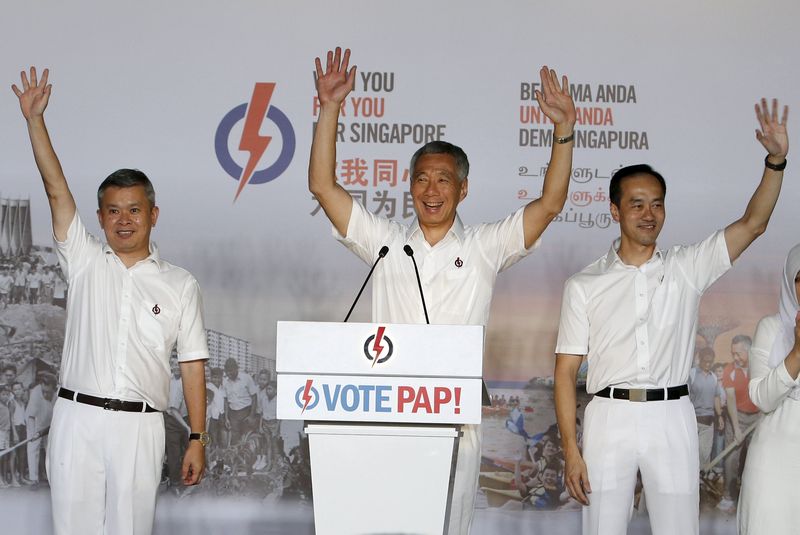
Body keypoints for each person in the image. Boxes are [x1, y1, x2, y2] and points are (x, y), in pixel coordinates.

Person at [310, 47, 576, 534]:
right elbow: (324, 188)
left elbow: (551, 204)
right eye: (422, 179)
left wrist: (563, 130)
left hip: (456, 421)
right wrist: (329, 109)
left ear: (463, 188)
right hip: (388, 414)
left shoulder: (483, 246)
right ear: (409, 186)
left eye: (444, 180)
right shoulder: (386, 242)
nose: (432, 190)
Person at [554, 97, 789, 535]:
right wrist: (571, 450)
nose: (649, 214)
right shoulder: (583, 285)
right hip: (609, 416)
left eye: (657, 204)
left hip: (672, 415)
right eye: (637, 204)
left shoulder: (687, 267)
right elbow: (565, 373)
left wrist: (775, 160)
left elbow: (753, 223)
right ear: (615, 210)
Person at [13, 67, 209, 535]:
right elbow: (55, 188)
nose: (125, 220)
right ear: (99, 217)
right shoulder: (83, 260)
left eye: (135, 210)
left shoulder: (180, 284)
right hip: (77, 421)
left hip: (139, 430)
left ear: (153, 215)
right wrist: (35, 121)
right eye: (114, 211)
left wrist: (198, 437)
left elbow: (193, 365)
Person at [738, 243, 800, 533]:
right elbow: (762, 399)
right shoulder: (771, 328)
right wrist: (797, 352)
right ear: (789, 281)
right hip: (773, 465)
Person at [718, 334, 760, 510]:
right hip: (737, 417)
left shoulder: (760, 367)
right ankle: (729, 496)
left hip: (759, 417)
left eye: (738, 353)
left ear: (749, 351)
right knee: (731, 458)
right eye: (732, 353)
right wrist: (736, 429)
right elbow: (731, 400)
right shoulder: (729, 370)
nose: (734, 358)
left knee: (757, 457)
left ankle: (754, 496)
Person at [688, 347, 724, 469]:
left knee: (704, 456)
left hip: (708, 423)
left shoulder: (713, 377)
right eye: (705, 361)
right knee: (691, 454)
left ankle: (701, 484)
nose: (708, 364)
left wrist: (719, 416)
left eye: (710, 362)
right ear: (700, 359)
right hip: (693, 422)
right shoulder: (692, 374)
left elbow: (716, 397)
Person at [222, 358, 257, 445]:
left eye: (231, 371)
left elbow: (254, 397)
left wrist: (252, 416)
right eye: (227, 371)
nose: (229, 373)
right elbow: (226, 401)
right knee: (235, 439)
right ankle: (236, 458)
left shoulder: (246, 378)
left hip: (246, 411)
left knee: (247, 439)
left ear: (236, 368)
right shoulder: (225, 381)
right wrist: (226, 418)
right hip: (233, 414)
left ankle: (247, 458)